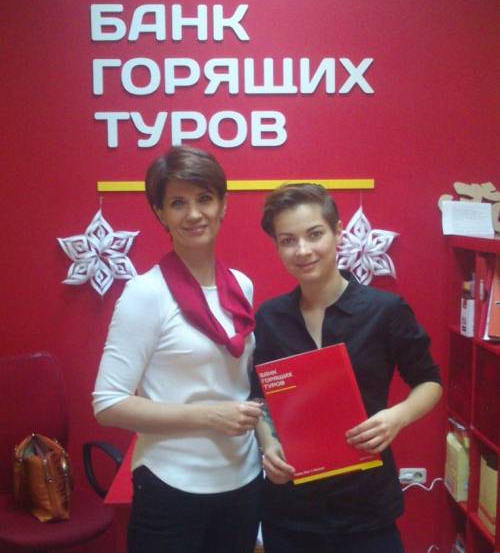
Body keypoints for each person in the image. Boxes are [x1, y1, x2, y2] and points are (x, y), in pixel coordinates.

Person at [251, 183, 442, 553]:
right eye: (288, 240)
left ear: (338, 233)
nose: (303, 250)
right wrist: (268, 443)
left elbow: (429, 381)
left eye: (314, 234)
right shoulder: (269, 318)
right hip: (290, 509)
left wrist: (397, 416)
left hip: (366, 508)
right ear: (276, 246)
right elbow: (258, 396)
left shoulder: (384, 311)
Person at [92, 146, 263, 553]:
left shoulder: (241, 285)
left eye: (205, 198)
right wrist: (209, 415)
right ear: (160, 214)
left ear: (223, 205)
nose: (194, 214)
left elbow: (242, 385)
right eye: (178, 203)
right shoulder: (145, 293)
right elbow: (108, 404)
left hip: (242, 483)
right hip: (171, 486)